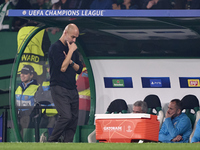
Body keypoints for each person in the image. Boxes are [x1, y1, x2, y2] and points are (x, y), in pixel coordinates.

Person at [48, 23, 83, 142]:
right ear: (65, 33)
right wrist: (71, 52)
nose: (74, 40)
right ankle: (51, 140)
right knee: (66, 116)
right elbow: (62, 67)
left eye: (76, 38)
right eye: (73, 37)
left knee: (73, 119)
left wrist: (71, 61)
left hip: (72, 88)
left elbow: (79, 69)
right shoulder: (56, 47)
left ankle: (67, 144)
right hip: (59, 87)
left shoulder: (72, 48)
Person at [15, 65, 39, 135]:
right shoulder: (18, 87)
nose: (22, 75)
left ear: (31, 75)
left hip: (29, 115)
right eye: (21, 73)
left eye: (25, 73)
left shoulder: (37, 87)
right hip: (17, 114)